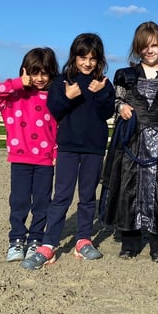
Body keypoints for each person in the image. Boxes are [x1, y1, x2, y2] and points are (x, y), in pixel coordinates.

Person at [22, 33, 115, 270]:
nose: (87, 63)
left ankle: (83, 240)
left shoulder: (104, 82)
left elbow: (106, 112)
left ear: (99, 60)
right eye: (82, 57)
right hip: (68, 148)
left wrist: (101, 93)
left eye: (93, 58)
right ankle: (49, 244)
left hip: (94, 149)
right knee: (61, 196)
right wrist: (67, 97)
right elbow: (55, 110)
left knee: (87, 197)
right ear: (74, 57)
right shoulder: (62, 82)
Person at [100, 22, 158, 263]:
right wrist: (122, 107)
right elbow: (115, 102)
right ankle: (130, 242)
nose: (150, 50)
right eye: (145, 46)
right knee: (130, 186)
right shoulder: (125, 76)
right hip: (132, 140)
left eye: (154, 45)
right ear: (138, 48)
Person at [0, 47, 60, 263]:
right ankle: (16, 239)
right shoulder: (13, 96)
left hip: (46, 160)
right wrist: (18, 83)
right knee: (19, 201)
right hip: (20, 159)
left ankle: (36, 239)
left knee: (41, 202)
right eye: (34, 73)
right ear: (25, 71)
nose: (39, 78)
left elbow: (59, 127)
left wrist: (56, 152)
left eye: (44, 73)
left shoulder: (53, 98)